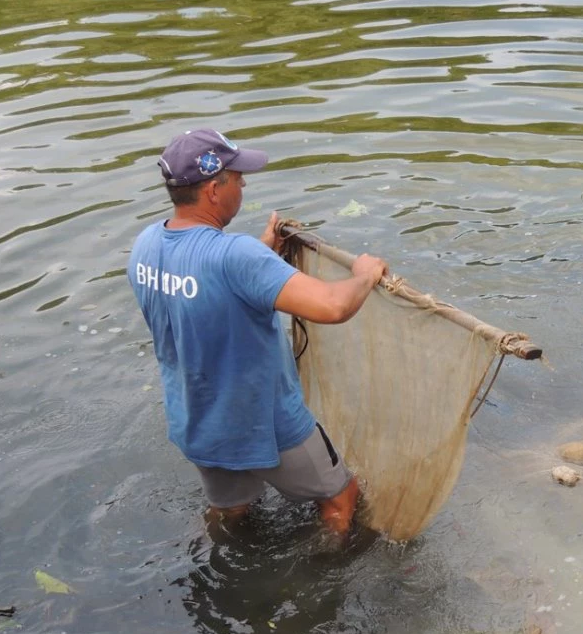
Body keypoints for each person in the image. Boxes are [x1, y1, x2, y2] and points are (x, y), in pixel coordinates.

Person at [127, 128, 389, 538]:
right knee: (343, 498)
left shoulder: (145, 246)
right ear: (214, 189)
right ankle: (324, 575)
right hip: (265, 422)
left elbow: (208, 293)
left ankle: (220, 556)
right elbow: (334, 306)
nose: (244, 183)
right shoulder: (236, 255)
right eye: (237, 176)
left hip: (198, 421)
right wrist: (364, 275)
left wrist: (264, 254)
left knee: (230, 511)